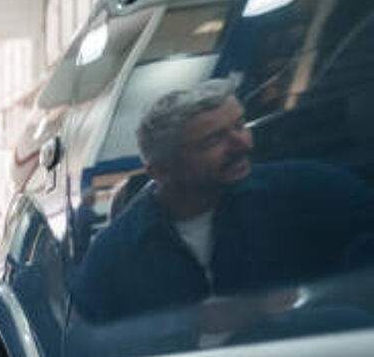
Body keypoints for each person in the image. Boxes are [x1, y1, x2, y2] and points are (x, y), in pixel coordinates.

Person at [73, 76, 372, 333]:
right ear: (162, 171)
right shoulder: (117, 255)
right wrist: (194, 324)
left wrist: (322, 301)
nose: (243, 143)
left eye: (240, 126)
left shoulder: (304, 190)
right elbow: (91, 347)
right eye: (213, 141)